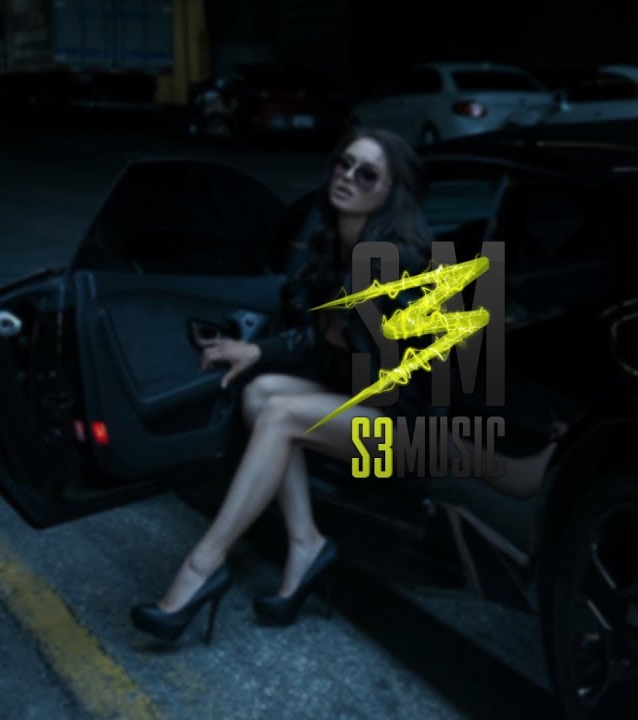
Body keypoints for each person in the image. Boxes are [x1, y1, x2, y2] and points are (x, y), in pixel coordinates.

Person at [130, 127, 434, 644]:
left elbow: (395, 374)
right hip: (365, 403)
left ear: (389, 193)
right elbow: (320, 338)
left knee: (280, 414)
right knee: (259, 393)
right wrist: (259, 351)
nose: (348, 177)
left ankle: (203, 565)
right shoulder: (334, 247)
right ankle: (305, 543)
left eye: (367, 174)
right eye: (344, 163)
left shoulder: (392, 262)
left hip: (408, 425)